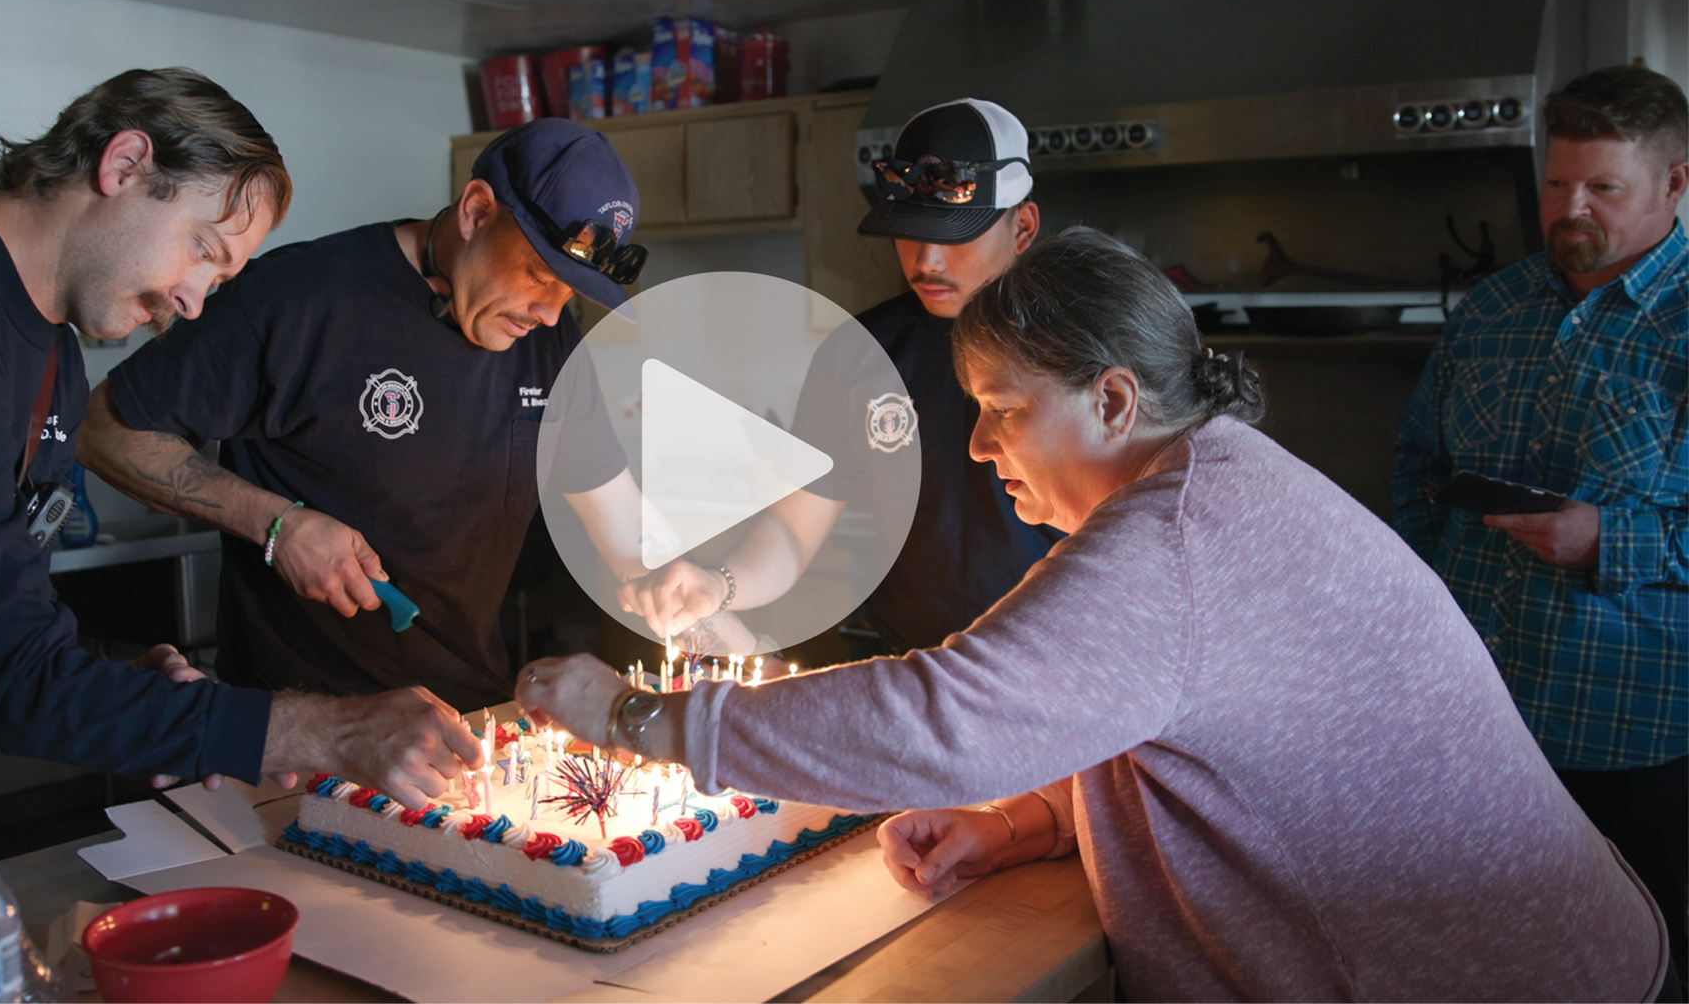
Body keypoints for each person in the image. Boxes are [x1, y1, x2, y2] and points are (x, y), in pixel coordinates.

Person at [518, 227, 1674, 1002]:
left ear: (1113, 400)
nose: (977, 446)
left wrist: (639, 718)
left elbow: (945, 717)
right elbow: (1179, 722)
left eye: (1003, 409)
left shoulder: (1174, 540)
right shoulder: (1214, 481)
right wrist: (1023, 824)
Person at [0, 69, 483, 910]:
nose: (189, 303)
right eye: (202, 252)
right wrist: (324, 732)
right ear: (127, 165)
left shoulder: (51, 352)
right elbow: (7, 677)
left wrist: (126, 682)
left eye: (216, 284)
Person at [79, 118, 644, 711]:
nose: (551, 315)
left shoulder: (550, 344)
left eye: (569, 295)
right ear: (477, 211)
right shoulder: (300, 299)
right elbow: (104, 428)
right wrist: (278, 524)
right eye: (537, 277)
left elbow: (623, 531)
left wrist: (674, 578)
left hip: (469, 721)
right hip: (299, 732)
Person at [1393, 63, 1689, 969]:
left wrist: (1609, 537)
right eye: (1557, 184)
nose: (1573, 210)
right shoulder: (1491, 308)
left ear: (1675, 182)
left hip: (1636, 734)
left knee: (1643, 962)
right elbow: (1416, 474)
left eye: (1604, 188)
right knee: (1483, 961)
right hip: (1479, 723)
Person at [621, 99, 1057, 657]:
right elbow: (792, 528)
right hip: (917, 670)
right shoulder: (862, 353)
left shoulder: (1080, 349)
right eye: (909, 232)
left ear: (1022, 228)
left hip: (1060, 671)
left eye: (955, 234)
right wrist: (718, 583)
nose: (927, 260)